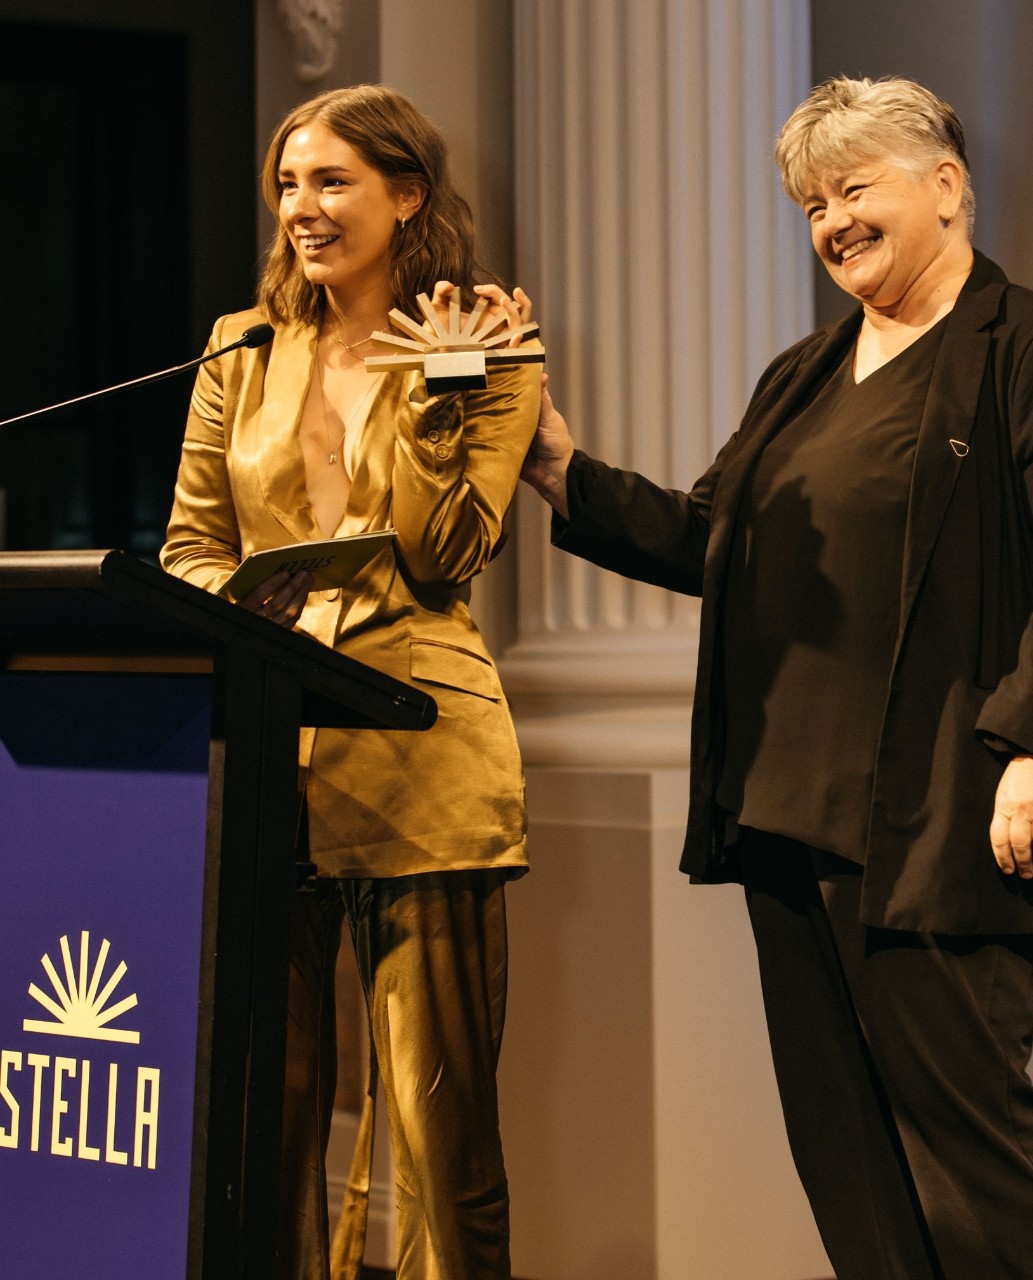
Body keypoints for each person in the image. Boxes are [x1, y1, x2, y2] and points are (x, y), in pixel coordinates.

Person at [521, 75, 1033, 1279]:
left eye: (854, 188)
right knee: (849, 1155)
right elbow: (717, 536)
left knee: (981, 1152)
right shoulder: (801, 375)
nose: (831, 222)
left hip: (953, 813)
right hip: (786, 815)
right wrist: (560, 466)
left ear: (948, 186)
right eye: (813, 203)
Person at [161, 84, 540, 1280]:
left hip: (422, 752)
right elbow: (188, 547)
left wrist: (441, 383)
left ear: (407, 194)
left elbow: (444, 552)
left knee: (439, 1132)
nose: (302, 209)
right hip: (271, 749)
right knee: (261, 1119)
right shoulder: (239, 347)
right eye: (289, 183)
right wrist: (258, 605)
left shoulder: (493, 348)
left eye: (332, 182)